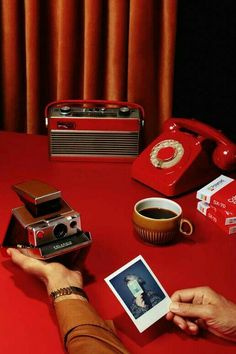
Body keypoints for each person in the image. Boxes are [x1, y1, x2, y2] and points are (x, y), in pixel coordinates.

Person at [6, 248, 236, 353]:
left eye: (136, 283)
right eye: (131, 285)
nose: (135, 288)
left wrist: (61, 285)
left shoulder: (155, 298)